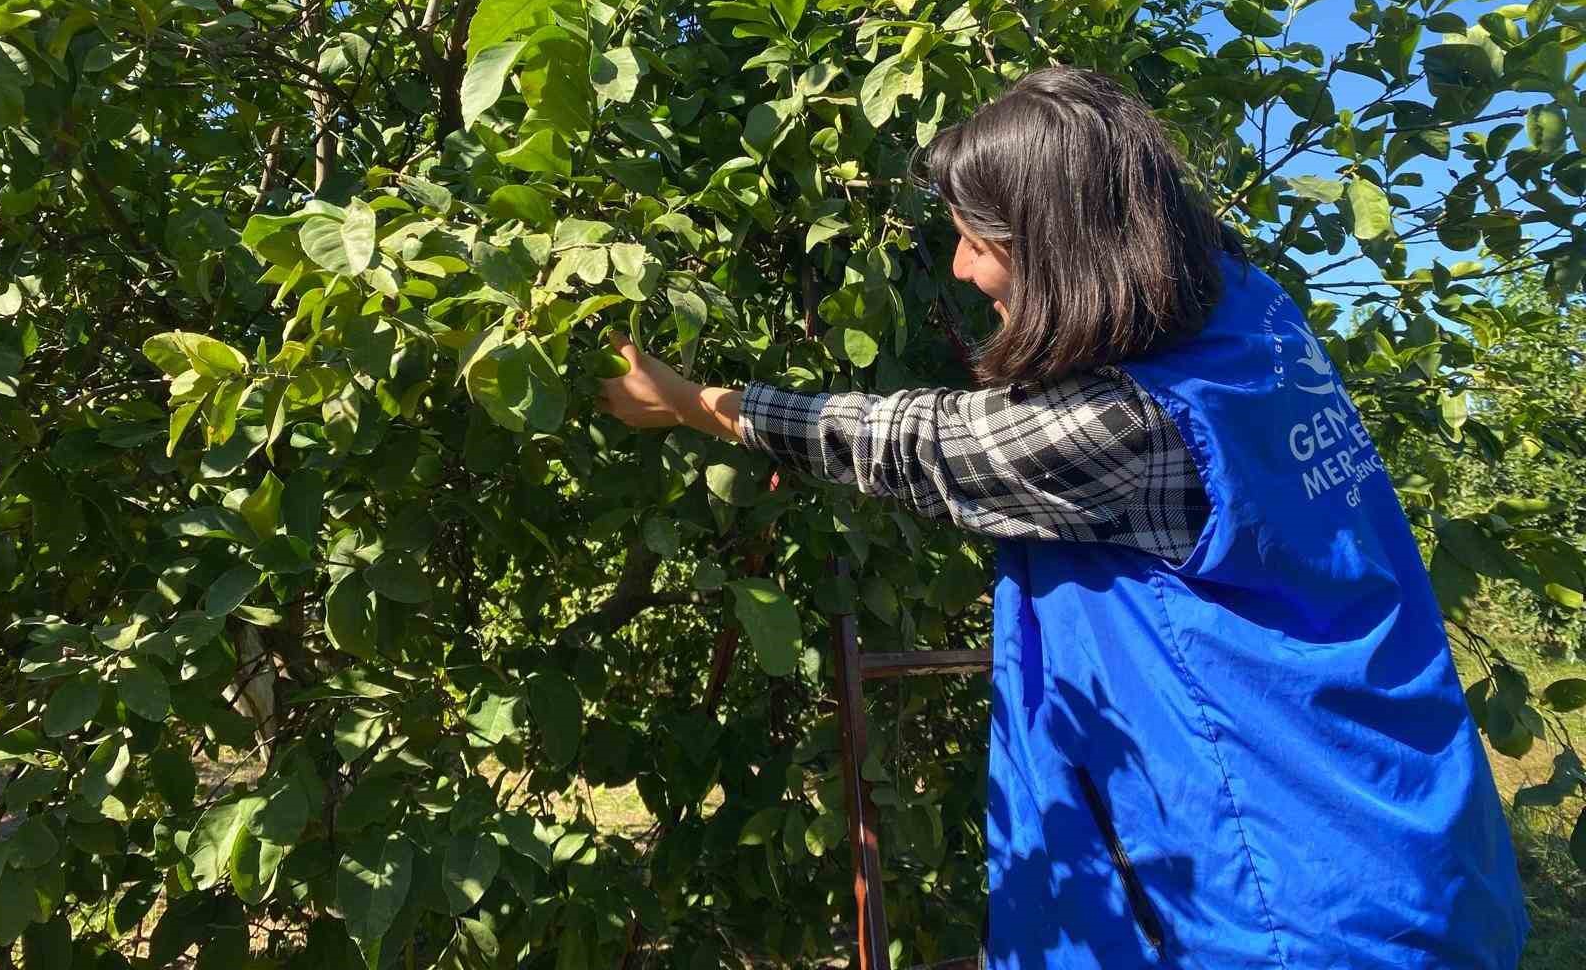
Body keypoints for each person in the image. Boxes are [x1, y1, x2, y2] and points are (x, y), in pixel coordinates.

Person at [594, 65, 1529, 969]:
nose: (960, 268)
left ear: (1064, 248)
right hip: (1404, 826)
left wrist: (692, 403)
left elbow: (919, 442)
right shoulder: (1252, 311)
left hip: (1284, 897)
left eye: (978, 241)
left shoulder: (1130, 423)